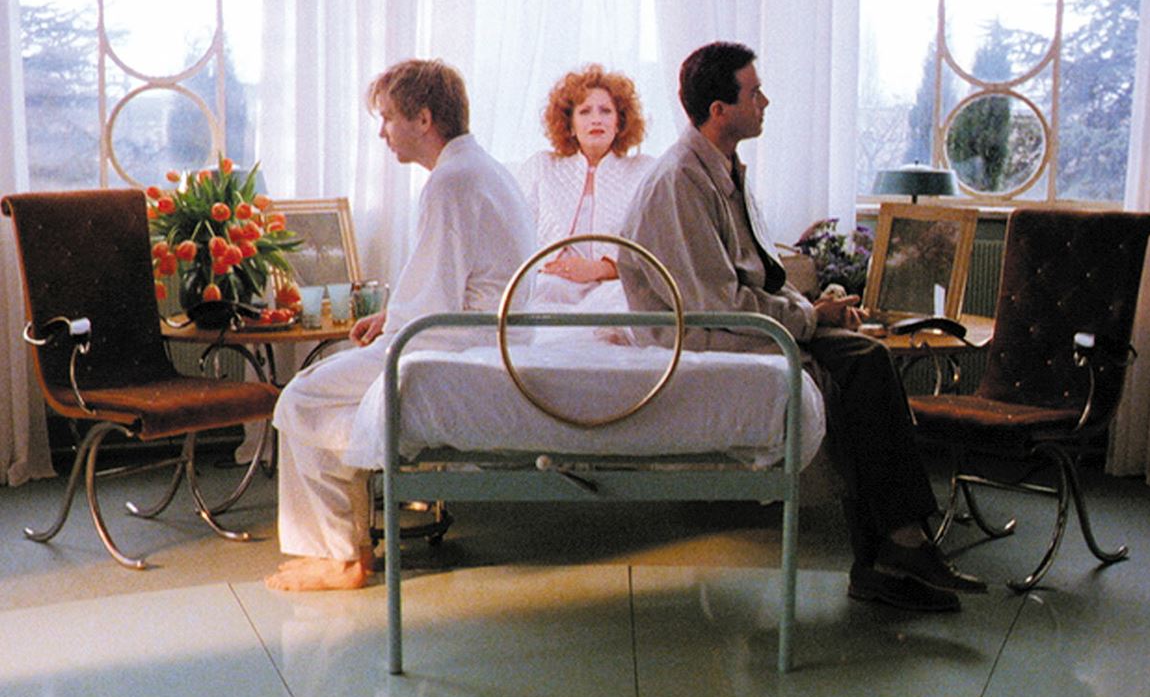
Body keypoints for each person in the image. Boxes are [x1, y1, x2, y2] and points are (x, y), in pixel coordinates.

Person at [618, 41, 986, 611]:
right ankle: (896, 548)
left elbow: (761, 272)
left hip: (740, 321)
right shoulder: (680, 182)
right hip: (704, 333)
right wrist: (809, 317)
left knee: (863, 359)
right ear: (719, 110)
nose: (765, 101)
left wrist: (814, 306)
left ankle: (889, 554)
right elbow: (716, 304)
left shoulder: (723, 169)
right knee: (863, 365)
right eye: (754, 92)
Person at [265, 58, 535, 592]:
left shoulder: (451, 182)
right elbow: (462, 279)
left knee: (300, 398)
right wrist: (393, 315)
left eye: (388, 118)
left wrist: (397, 324)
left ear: (424, 119)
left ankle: (340, 557)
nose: (383, 132)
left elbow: (438, 296)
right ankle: (348, 550)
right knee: (334, 408)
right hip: (477, 335)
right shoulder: (481, 170)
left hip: (455, 344)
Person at [518, 64, 655, 309]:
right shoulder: (542, 167)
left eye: (606, 111)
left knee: (622, 307)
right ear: (570, 125)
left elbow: (656, 248)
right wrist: (546, 267)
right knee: (535, 299)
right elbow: (515, 236)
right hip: (552, 285)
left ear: (619, 122)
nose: (596, 119)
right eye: (585, 112)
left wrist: (601, 269)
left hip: (615, 289)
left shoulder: (644, 171)